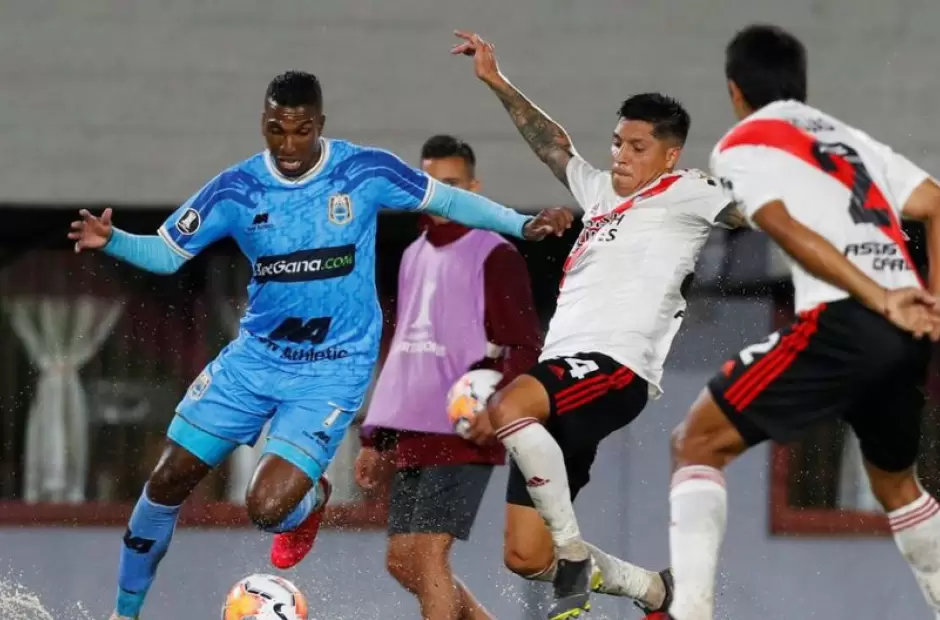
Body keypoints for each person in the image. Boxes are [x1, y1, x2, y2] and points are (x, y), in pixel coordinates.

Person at [67, 70, 572, 620]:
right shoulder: (237, 189)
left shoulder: (362, 172)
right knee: (167, 481)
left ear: (320, 125)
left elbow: (448, 199)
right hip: (255, 360)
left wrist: (522, 225)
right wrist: (111, 240)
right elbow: (167, 253)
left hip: (332, 369)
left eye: (301, 130)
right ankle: (124, 614)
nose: (287, 144)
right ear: (263, 123)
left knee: (267, 508)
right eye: (276, 129)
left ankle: (309, 503)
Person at [451, 32, 747, 620]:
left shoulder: (689, 191)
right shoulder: (600, 191)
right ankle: (656, 591)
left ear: (669, 156)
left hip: (614, 368)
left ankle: (573, 557)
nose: (620, 156)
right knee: (523, 555)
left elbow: (752, 213)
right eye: (616, 143)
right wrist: (495, 80)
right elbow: (552, 146)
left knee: (509, 408)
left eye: (637, 147)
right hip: (563, 373)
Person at [665, 24, 940, 620]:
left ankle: (690, 612)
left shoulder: (742, 143)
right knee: (897, 487)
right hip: (908, 332)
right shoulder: (849, 138)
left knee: (696, 443)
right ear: (801, 85)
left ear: (735, 90)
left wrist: (878, 296)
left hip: (847, 320)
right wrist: (931, 299)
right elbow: (935, 203)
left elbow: (784, 227)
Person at [355, 134, 543, 620]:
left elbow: (525, 346)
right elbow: (405, 350)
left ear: (474, 188)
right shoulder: (413, 253)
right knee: (402, 562)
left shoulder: (496, 254)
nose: (442, 196)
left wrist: (497, 412)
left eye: (453, 185)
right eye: (432, 185)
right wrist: (376, 438)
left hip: (464, 428)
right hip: (413, 428)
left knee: (427, 556)